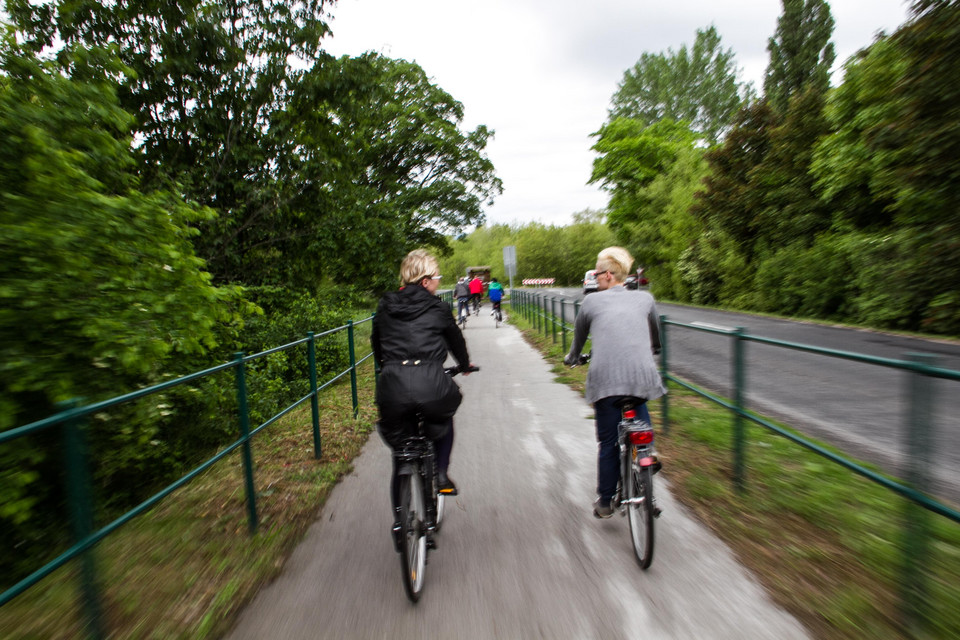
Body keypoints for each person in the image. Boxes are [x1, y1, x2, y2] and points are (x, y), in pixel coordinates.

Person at [371, 250, 475, 536]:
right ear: (426, 280)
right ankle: (441, 473)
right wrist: (464, 365)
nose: (438, 282)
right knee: (444, 416)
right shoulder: (438, 308)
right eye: (437, 277)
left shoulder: (385, 306)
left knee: (401, 453)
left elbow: (377, 345)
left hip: (392, 385)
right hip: (431, 382)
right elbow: (455, 339)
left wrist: (389, 369)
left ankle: (398, 522)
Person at [563, 246, 666, 519]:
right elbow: (655, 338)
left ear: (609, 275)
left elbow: (579, 340)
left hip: (606, 380)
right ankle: (647, 451)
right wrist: (652, 349)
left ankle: (606, 501)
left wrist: (573, 357)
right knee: (637, 406)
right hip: (641, 375)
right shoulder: (645, 300)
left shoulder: (591, 302)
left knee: (608, 442)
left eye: (597, 273)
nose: (594, 278)